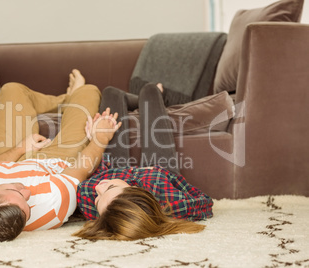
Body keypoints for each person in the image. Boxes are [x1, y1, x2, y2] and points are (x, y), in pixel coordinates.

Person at [0, 70, 121, 243]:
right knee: (88, 91)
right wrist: (101, 137)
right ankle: (73, 97)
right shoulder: (52, 206)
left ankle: (65, 99)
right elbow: (82, 167)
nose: (27, 192)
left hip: (13, 156)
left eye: (16, 192)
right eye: (27, 203)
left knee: (12, 89)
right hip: (59, 159)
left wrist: (19, 149)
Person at [73, 83, 213, 241]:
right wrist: (149, 172)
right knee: (150, 90)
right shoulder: (169, 202)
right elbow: (206, 203)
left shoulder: (89, 198)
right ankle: (150, 98)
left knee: (110, 92)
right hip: (159, 171)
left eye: (98, 199)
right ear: (135, 189)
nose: (98, 187)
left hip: (113, 169)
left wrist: (96, 138)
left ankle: (133, 101)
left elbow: (89, 176)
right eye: (110, 188)